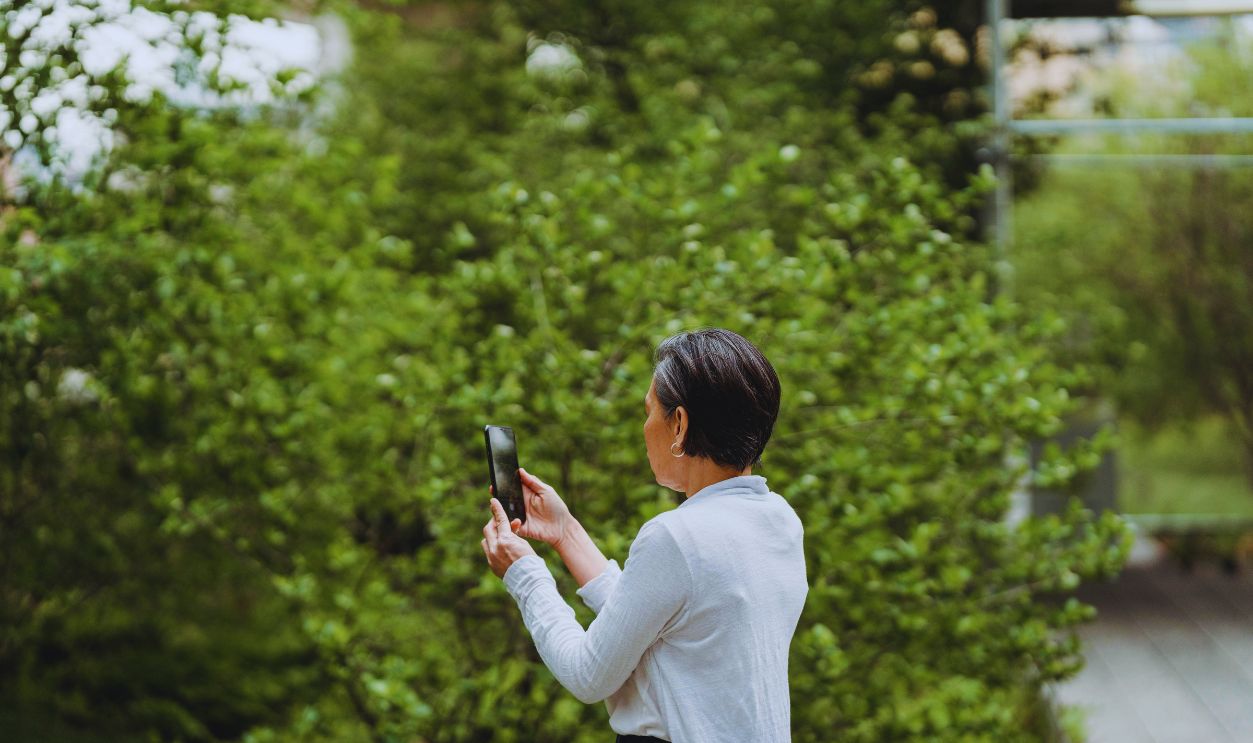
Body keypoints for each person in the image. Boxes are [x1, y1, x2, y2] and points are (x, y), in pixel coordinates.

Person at [479, 328, 808, 743]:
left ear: (680, 424)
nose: (645, 425)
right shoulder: (779, 521)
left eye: (650, 410)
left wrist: (524, 573)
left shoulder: (677, 535)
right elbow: (658, 613)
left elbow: (588, 674)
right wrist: (566, 533)